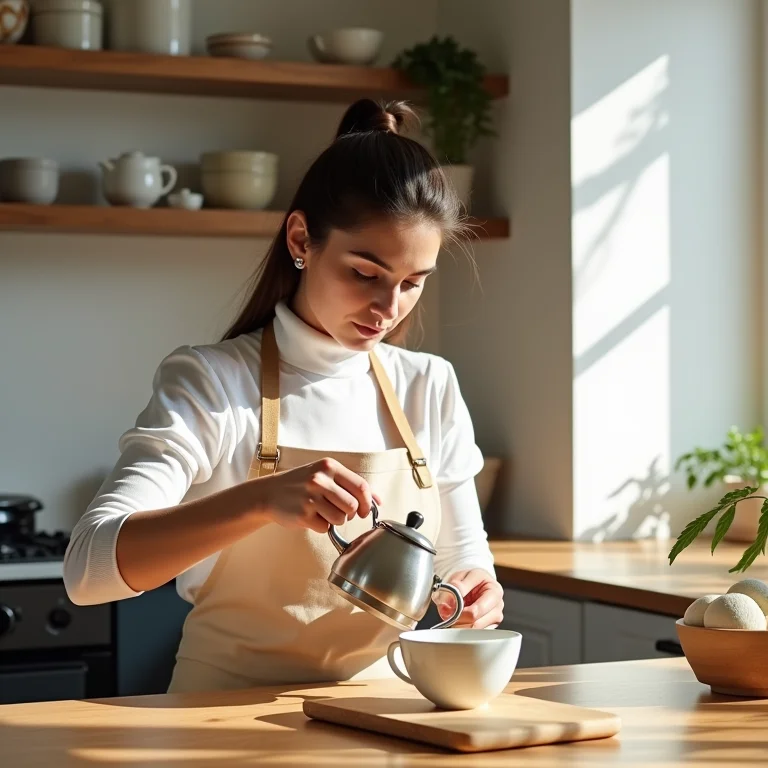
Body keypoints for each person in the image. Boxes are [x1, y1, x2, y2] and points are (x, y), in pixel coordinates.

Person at [63, 98, 503, 694]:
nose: (388, 308)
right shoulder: (211, 381)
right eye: (365, 273)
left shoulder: (428, 384)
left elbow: (460, 556)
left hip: (384, 713)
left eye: (411, 284)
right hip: (219, 718)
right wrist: (257, 502)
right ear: (302, 238)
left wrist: (476, 587)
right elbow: (88, 574)